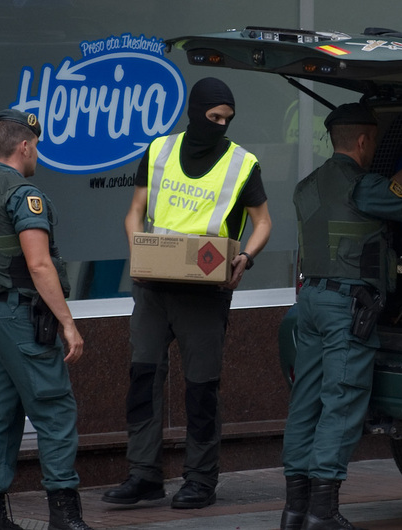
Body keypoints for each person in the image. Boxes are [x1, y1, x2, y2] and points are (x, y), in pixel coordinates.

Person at [281, 102, 402, 530]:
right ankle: (323, 513)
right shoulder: (364, 185)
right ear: (365, 140)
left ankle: (295, 508)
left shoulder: (308, 185)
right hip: (345, 310)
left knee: (306, 404)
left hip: (312, 299)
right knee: (342, 401)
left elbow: (375, 199)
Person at [101, 77, 272, 509]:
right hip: (153, 288)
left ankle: (199, 480)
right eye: (213, 117)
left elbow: (264, 222)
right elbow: (134, 213)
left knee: (201, 389)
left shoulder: (242, 162)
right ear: (195, 112)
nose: (220, 125)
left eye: (227, 119)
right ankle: (143, 476)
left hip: (204, 292)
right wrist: (137, 253)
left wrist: (245, 258)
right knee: (143, 381)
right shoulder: (159, 151)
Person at [0, 109, 91, 530]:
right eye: (37, 147)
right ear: (25, 145)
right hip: (20, 314)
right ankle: (64, 518)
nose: (38, 155)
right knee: (54, 409)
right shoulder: (24, 194)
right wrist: (67, 322)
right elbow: (38, 265)